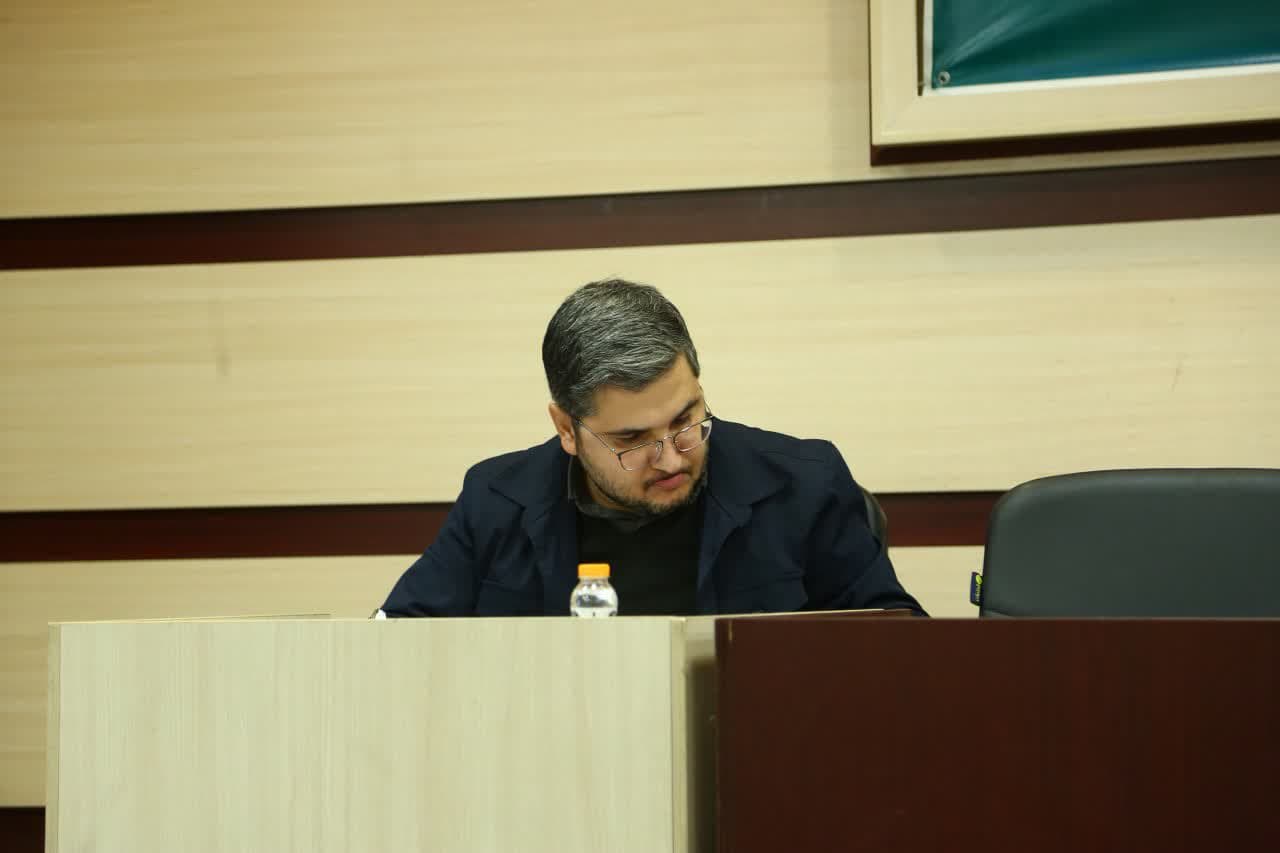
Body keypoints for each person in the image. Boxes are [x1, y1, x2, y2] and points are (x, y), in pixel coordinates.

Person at [380, 278, 925, 617]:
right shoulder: (496, 501)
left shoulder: (803, 486)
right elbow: (397, 644)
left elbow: (895, 647)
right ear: (566, 429)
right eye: (631, 440)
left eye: (686, 419)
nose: (670, 457)